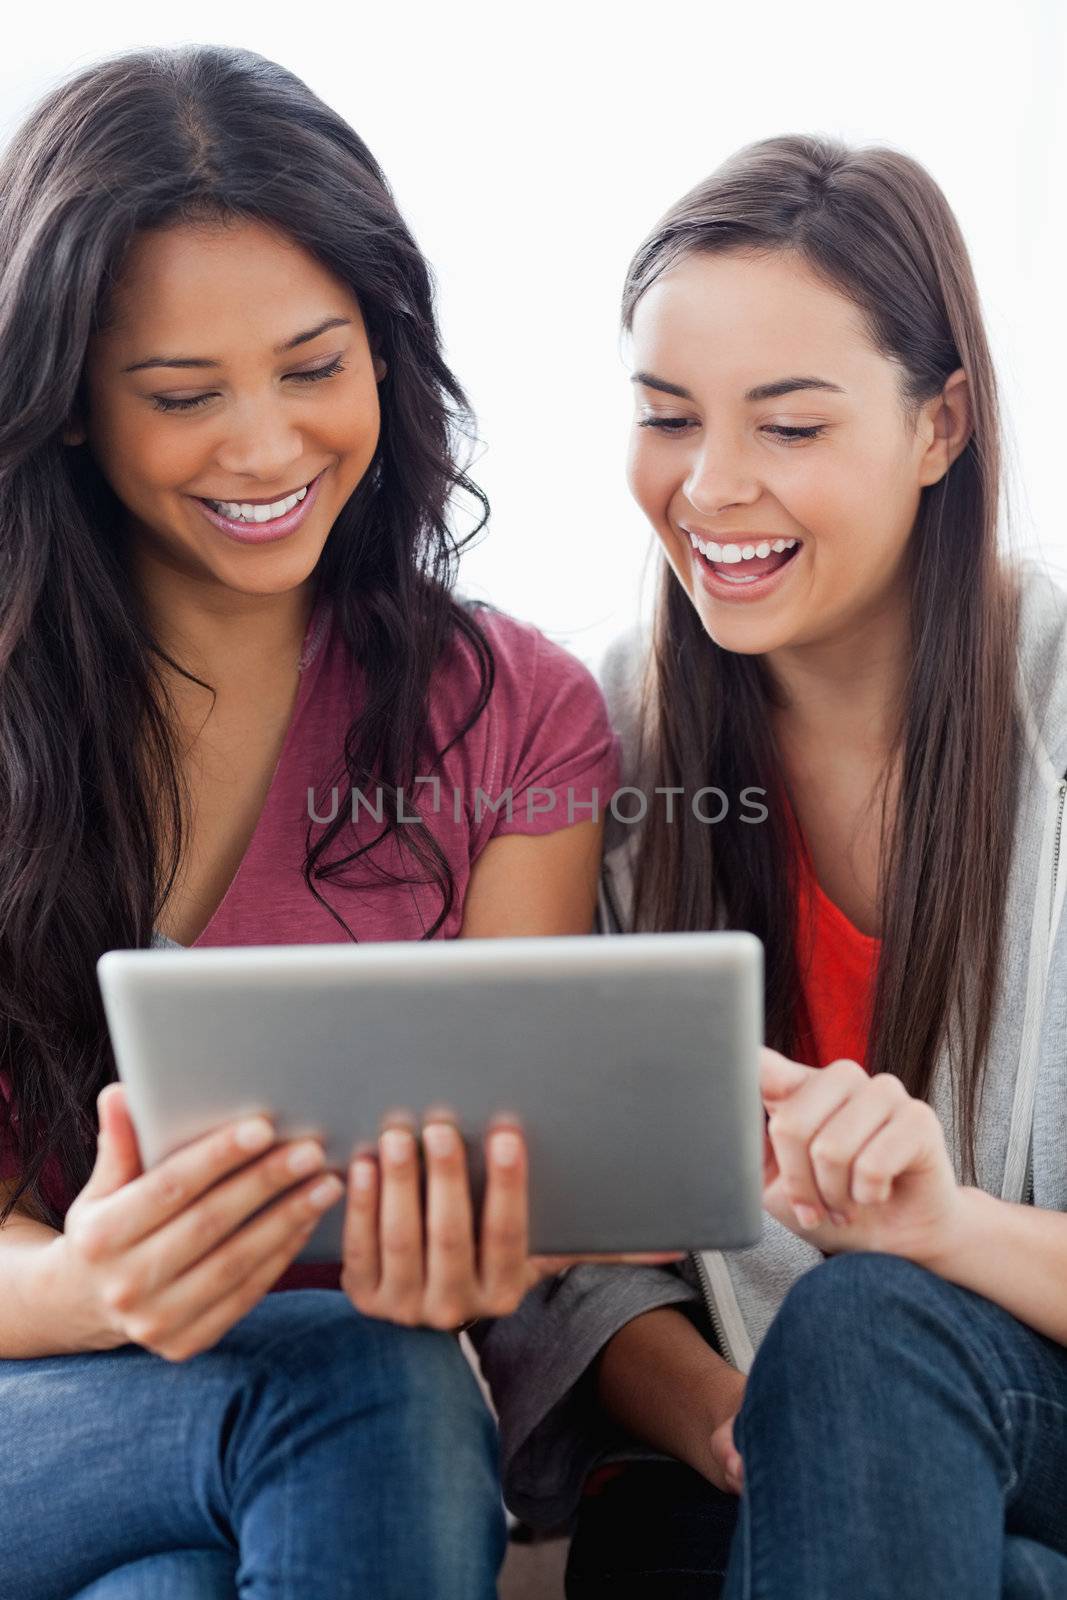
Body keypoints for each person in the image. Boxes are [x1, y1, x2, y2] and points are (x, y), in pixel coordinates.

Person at [0, 43, 642, 1599]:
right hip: (44, 1399)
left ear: (387, 352)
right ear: (71, 404)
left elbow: (533, 1160)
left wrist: (513, 1241)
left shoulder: (516, 711)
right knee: (370, 1383)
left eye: (314, 365)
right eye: (181, 395)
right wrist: (95, 1286)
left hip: (329, 1456)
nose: (268, 447)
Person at [472, 135, 1067, 1599]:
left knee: (865, 1326)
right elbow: (585, 1264)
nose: (711, 487)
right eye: (668, 417)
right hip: (745, 1473)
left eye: (790, 429)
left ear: (942, 427)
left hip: (1030, 1399)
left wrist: (943, 1231)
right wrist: (747, 1418)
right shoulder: (598, 750)